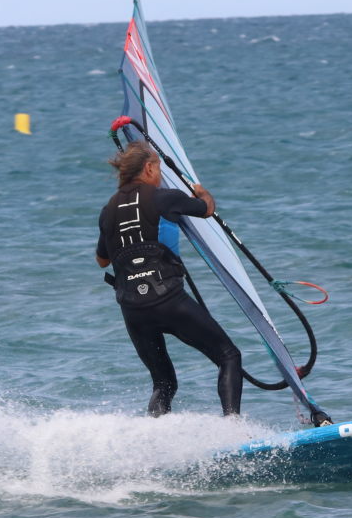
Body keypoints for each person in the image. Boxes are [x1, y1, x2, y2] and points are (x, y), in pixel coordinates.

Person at [96, 141, 243, 417]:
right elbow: (206, 209)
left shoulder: (108, 210)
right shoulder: (163, 198)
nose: (160, 175)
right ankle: (234, 427)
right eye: (159, 169)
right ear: (149, 168)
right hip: (168, 300)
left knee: (163, 383)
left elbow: (102, 260)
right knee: (229, 356)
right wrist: (201, 191)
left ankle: (157, 432)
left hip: (133, 308)